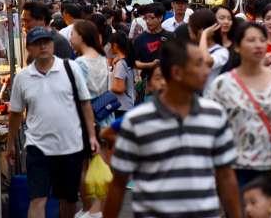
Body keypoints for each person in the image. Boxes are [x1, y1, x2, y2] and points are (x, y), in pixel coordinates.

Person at [103, 40, 242, 218]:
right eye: (199, 64)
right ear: (177, 72)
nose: (207, 70)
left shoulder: (215, 115)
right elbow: (118, 184)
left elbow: (226, 176)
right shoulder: (137, 121)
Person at [6, 27, 99, 218]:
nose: (43, 47)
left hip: (70, 146)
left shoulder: (70, 68)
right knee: (37, 199)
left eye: (46, 42)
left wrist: (91, 136)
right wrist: (10, 144)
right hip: (37, 147)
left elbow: (85, 103)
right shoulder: (22, 78)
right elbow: (15, 113)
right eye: (37, 43)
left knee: (68, 199)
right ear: (29, 48)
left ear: (53, 45)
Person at [209, 22, 271, 188]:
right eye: (251, 40)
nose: (258, 45)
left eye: (262, 40)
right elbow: (210, 126)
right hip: (233, 166)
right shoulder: (222, 84)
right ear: (237, 46)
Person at [70, 20, 110, 218]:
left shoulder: (79, 64)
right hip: (105, 115)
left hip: (88, 119)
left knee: (85, 166)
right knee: (100, 165)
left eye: (73, 34)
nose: (71, 38)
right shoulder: (103, 58)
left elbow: (78, 95)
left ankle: (89, 210)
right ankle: (99, 209)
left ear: (82, 37)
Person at [188, 9, 229, 96]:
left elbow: (205, 61)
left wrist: (204, 34)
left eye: (190, 26)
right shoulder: (193, 48)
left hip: (208, 100)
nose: (189, 29)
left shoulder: (222, 52)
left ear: (200, 30)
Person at [133, 3, 173, 81]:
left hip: (168, 83)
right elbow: (134, 63)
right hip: (148, 83)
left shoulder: (170, 37)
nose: (148, 21)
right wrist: (150, 65)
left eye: (152, 18)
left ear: (160, 18)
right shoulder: (140, 39)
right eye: (145, 18)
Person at [108, 32, 135, 118]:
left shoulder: (121, 64)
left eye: (110, 44)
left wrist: (108, 86)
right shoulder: (127, 60)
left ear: (115, 45)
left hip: (121, 106)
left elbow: (120, 88)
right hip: (127, 104)